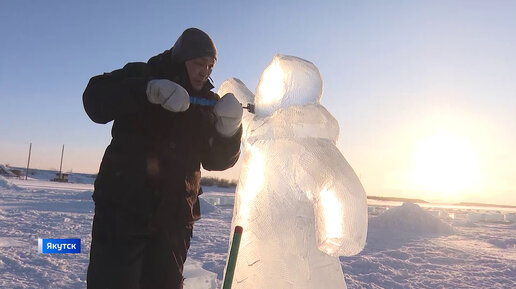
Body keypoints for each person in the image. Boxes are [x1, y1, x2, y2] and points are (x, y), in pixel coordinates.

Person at [83, 28, 243, 289]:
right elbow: (94, 99)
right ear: (181, 59)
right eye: (199, 63)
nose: (205, 71)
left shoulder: (208, 104)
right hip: (122, 213)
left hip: (175, 221)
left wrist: (229, 131)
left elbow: (217, 161)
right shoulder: (144, 75)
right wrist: (146, 91)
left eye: (210, 66)